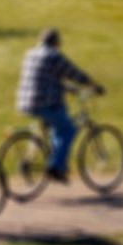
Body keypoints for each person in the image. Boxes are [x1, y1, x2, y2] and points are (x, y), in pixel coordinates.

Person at [16, 28, 104, 183]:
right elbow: (73, 73)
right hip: (44, 103)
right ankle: (55, 167)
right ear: (56, 42)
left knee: (58, 125)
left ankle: (55, 163)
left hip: (25, 102)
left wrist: (73, 89)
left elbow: (48, 80)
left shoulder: (30, 54)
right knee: (68, 130)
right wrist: (93, 85)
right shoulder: (53, 56)